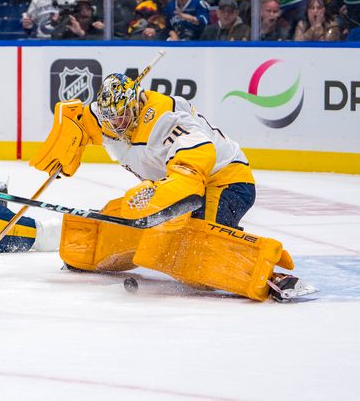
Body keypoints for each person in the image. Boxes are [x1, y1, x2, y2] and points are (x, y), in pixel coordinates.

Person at [28, 71, 310, 302]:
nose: (115, 125)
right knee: (138, 224)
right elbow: (78, 117)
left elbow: (199, 154)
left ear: (137, 106)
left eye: (121, 117)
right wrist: (66, 144)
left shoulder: (164, 119)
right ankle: (86, 250)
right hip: (170, 184)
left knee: (197, 249)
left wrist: (165, 194)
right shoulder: (109, 114)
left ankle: (269, 274)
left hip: (224, 180)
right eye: (109, 119)